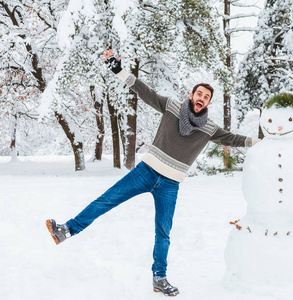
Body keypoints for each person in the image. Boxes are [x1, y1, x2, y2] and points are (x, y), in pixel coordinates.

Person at [46, 49, 260, 297]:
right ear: (191, 96)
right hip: (146, 171)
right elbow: (144, 91)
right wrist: (118, 69)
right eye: (199, 93)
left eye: (207, 96)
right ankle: (67, 230)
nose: (202, 97)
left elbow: (234, 138)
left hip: (170, 184)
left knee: (163, 232)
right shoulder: (171, 106)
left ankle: (159, 278)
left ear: (209, 103)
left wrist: (263, 142)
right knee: (105, 201)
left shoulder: (210, 129)